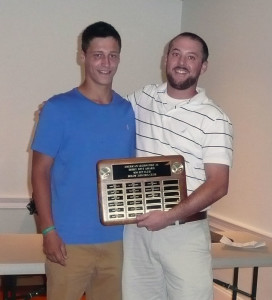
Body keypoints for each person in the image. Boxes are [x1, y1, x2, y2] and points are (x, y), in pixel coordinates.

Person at [122, 32, 233, 300]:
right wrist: (63, 109)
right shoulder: (143, 98)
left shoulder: (214, 118)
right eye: (176, 53)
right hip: (137, 231)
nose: (181, 62)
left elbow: (218, 184)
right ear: (166, 58)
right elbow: (103, 112)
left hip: (184, 234)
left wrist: (169, 216)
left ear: (203, 66)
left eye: (191, 57)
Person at [31, 21, 135, 300]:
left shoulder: (128, 112)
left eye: (113, 55)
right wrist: (48, 229)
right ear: (83, 56)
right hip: (67, 240)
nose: (106, 63)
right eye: (98, 54)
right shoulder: (57, 108)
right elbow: (39, 172)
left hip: (118, 242)